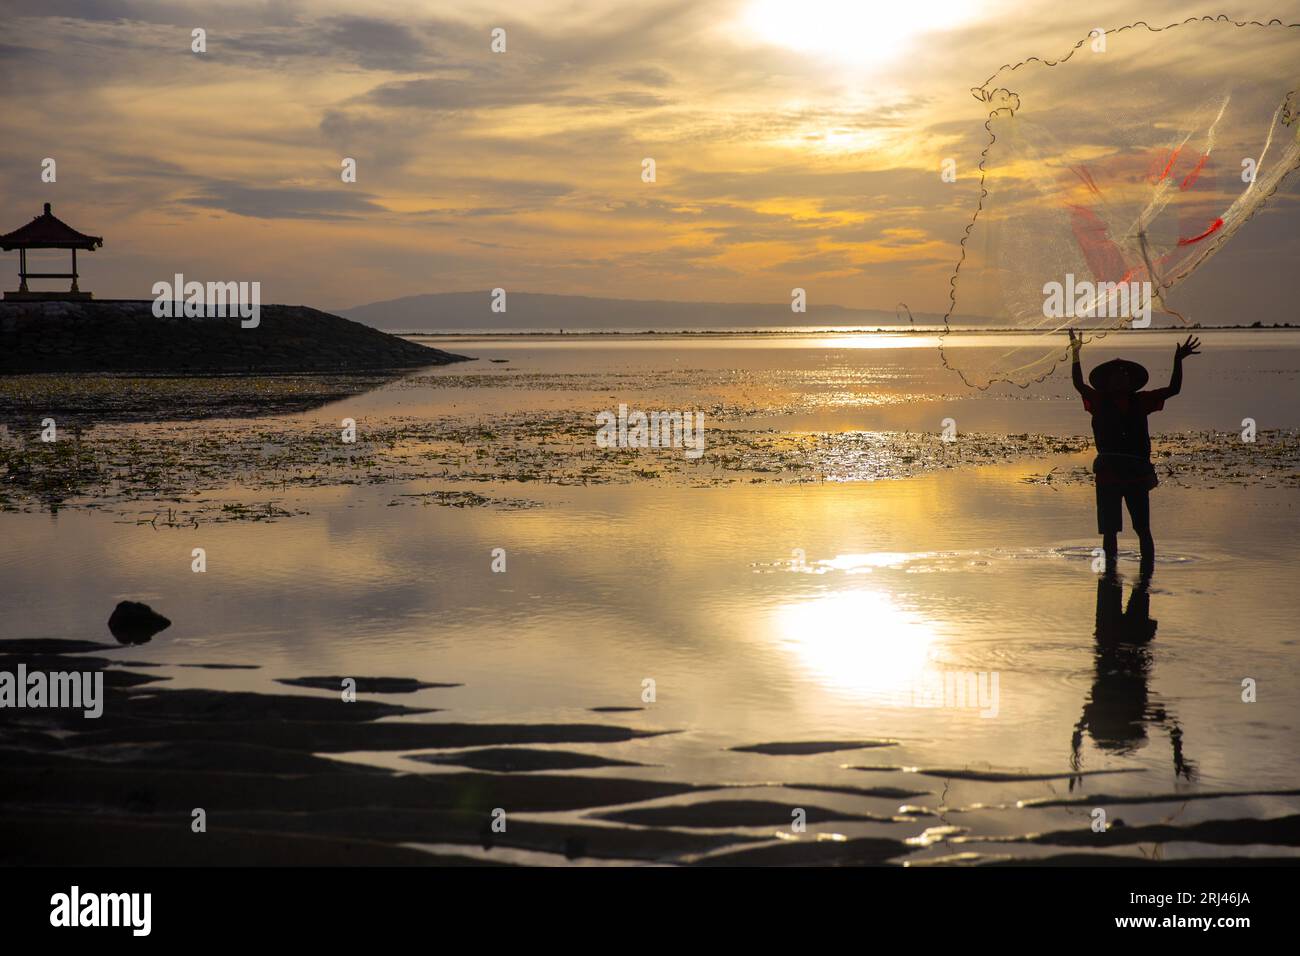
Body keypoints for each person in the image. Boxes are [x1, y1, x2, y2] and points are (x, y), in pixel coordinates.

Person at [1067, 330, 1200, 571]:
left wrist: (1177, 361)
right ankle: (1110, 575)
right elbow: (1078, 384)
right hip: (1108, 475)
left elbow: (1173, 389)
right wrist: (1076, 353)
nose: (1121, 379)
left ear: (1131, 382)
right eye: (1116, 376)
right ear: (1107, 383)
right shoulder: (1098, 401)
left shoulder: (1142, 401)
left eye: (1125, 375)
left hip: (1136, 475)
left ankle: (1145, 575)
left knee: (1143, 529)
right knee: (1110, 532)